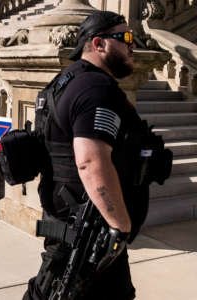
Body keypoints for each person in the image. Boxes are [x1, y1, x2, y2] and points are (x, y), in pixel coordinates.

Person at [23, 10, 150, 300]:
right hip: (90, 231)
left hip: (72, 223)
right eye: (126, 37)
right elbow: (90, 161)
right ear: (99, 43)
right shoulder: (96, 88)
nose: (133, 45)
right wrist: (120, 225)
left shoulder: (65, 81)